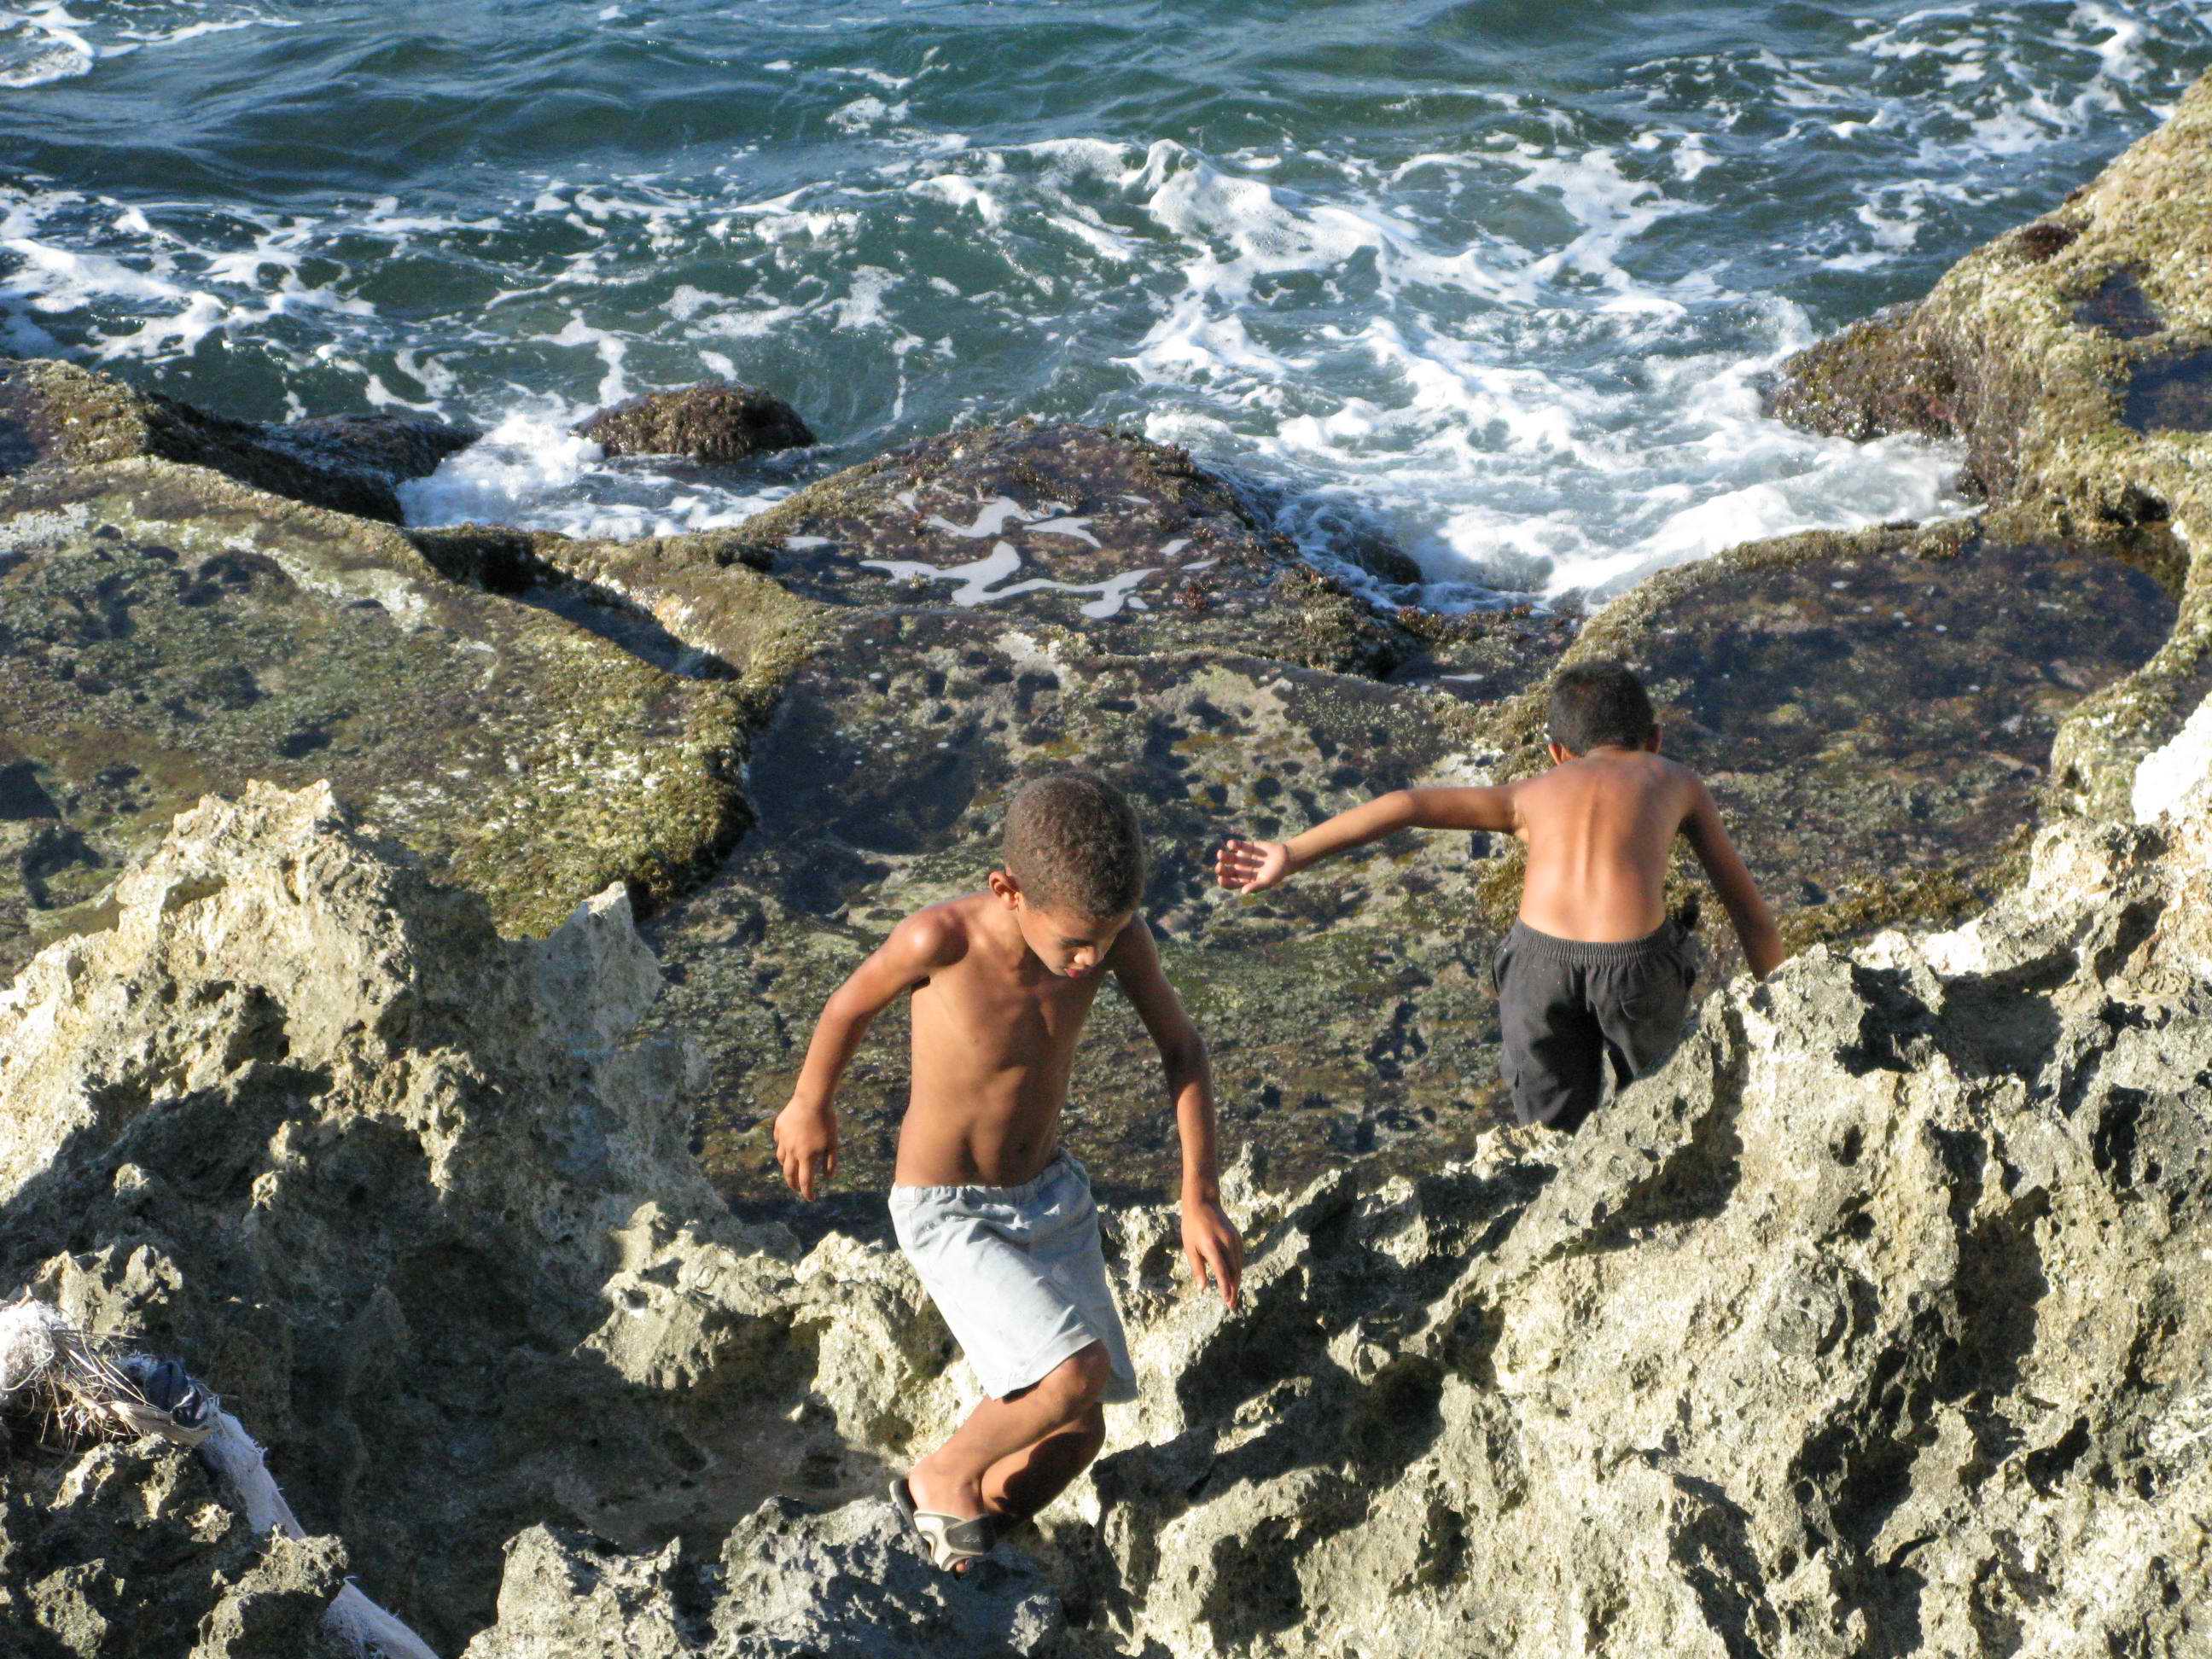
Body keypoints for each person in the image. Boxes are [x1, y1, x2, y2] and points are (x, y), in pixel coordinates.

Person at [774, 771, 1243, 1575]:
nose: (1091, 960)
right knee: (1073, 1375)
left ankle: (956, 1552)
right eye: (1076, 943)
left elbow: (1183, 1050)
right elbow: (848, 1006)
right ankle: (937, 1479)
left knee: (1078, 1432)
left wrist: (1197, 1193)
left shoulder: (1116, 940)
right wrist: (810, 1103)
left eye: (1108, 938)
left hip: (1052, 1198)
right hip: (948, 1209)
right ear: (1007, 890)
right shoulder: (940, 940)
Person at [1214, 660, 1784, 1132]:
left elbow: (1405, 805)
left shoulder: (1528, 793)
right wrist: (1783, 1008)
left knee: (1549, 1131)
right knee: (1662, 1103)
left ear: (1557, 752)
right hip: (1634, 965)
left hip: (1539, 965)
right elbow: (1748, 914)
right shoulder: (1678, 780)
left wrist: (1291, 852)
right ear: (1654, 740)